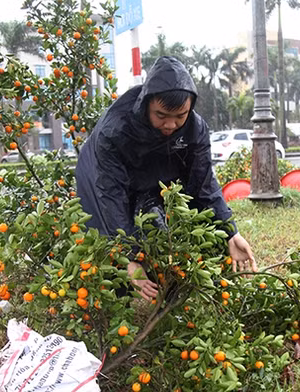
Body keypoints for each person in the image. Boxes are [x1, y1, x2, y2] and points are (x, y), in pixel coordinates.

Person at [75, 56, 257, 301]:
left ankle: (169, 293)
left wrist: (230, 231)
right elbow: (111, 195)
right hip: (100, 179)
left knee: (170, 232)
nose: (171, 124)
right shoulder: (115, 129)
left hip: (154, 176)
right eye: (161, 115)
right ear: (146, 103)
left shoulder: (195, 128)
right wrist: (129, 258)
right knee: (111, 252)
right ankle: (116, 299)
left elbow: (203, 184)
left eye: (180, 115)